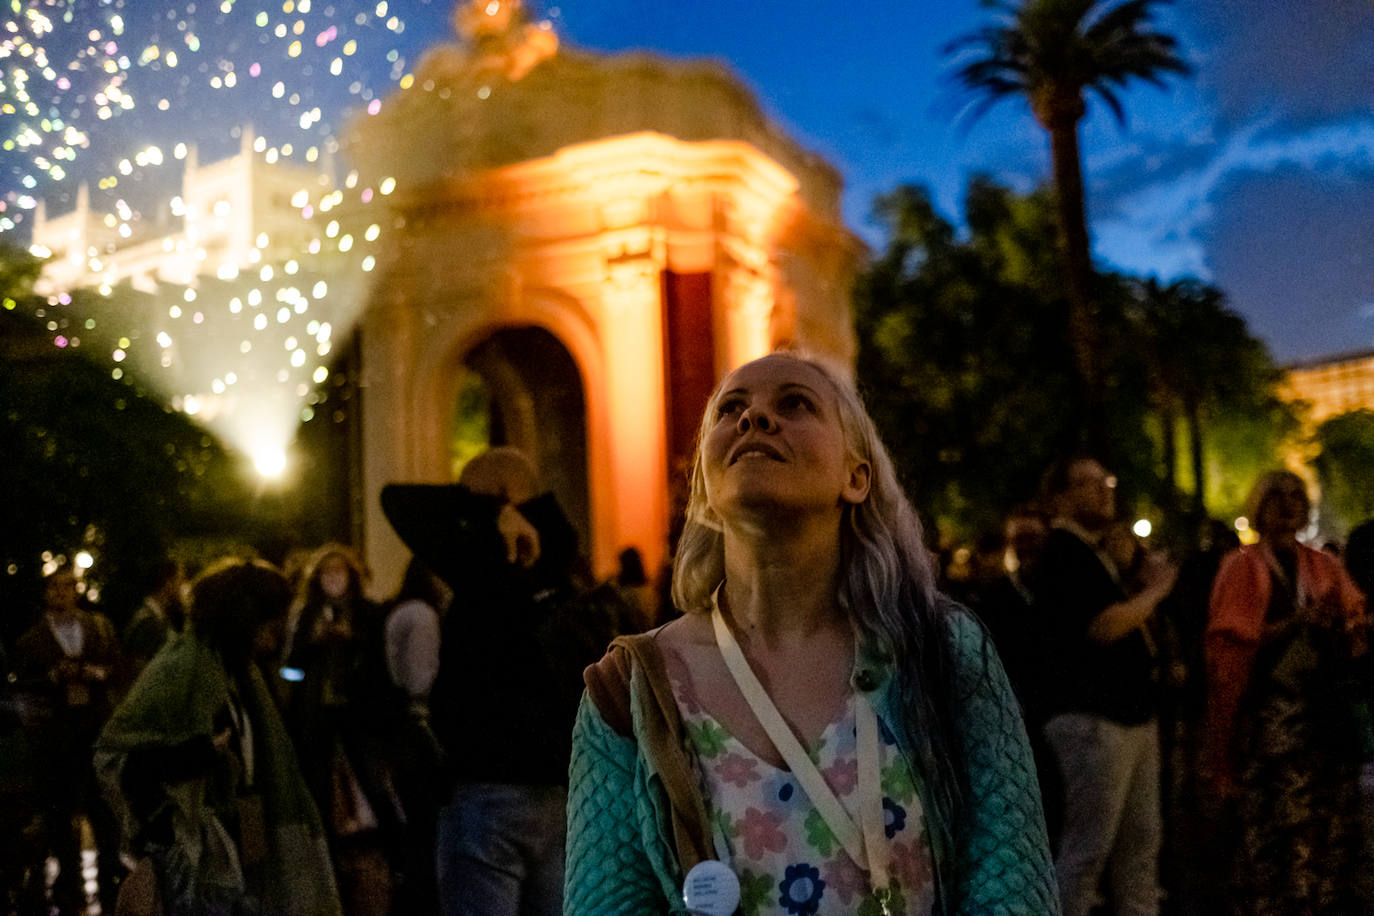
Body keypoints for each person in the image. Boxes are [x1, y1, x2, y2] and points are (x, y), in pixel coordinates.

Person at [565, 352, 1057, 914]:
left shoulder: (944, 652)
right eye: (732, 409)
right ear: (704, 485)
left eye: (794, 404)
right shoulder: (630, 692)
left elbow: (1012, 891)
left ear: (856, 477)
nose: (755, 419)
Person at [382, 446, 624, 916]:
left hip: (486, 785)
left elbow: (398, 501)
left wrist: (491, 510)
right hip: (560, 791)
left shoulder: (482, 559)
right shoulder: (563, 561)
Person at [94, 557, 342, 916]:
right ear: (244, 617)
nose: (275, 630)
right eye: (270, 619)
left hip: (241, 837)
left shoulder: (239, 670)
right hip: (193, 860)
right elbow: (119, 759)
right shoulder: (181, 668)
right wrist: (198, 754)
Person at [1204, 471, 1370, 913]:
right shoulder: (1240, 567)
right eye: (1277, 496)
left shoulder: (1324, 565)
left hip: (1322, 722)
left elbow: (1354, 625)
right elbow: (1230, 646)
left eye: (1296, 496)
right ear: (1258, 504)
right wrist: (1294, 626)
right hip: (1272, 724)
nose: (1288, 504)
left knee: (1326, 832)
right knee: (1280, 830)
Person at [1029, 455, 1176, 916]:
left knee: (1139, 846)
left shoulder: (1097, 555)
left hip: (1127, 716)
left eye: (1107, 481)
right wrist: (1156, 591)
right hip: (1096, 719)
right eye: (1089, 484)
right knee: (1087, 851)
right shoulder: (1062, 555)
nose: (1105, 490)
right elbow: (1103, 627)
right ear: (1060, 499)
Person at [279, 544, 395, 916]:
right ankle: (324, 860)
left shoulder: (369, 613)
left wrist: (353, 642)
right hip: (317, 715)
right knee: (316, 786)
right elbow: (290, 669)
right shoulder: (308, 614)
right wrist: (313, 645)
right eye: (327, 572)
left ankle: (395, 858)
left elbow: (380, 665)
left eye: (340, 572)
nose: (334, 579)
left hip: (357, 712)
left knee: (374, 784)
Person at [13, 566, 124, 914]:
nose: (61, 594)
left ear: (76, 591)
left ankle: (110, 867)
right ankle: (68, 878)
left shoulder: (99, 627)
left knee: (101, 804)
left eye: (67, 587)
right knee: (59, 807)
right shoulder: (31, 639)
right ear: (46, 593)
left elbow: (117, 666)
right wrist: (53, 677)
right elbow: (25, 686)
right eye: (55, 588)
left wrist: (95, 673)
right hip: (57, 735)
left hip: (93, 727)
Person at [122, 557, 186, 681]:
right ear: (168, 583)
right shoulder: (148, 623)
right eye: (180, 581)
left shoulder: (159, 619)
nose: (182, 588)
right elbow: (141, 671)